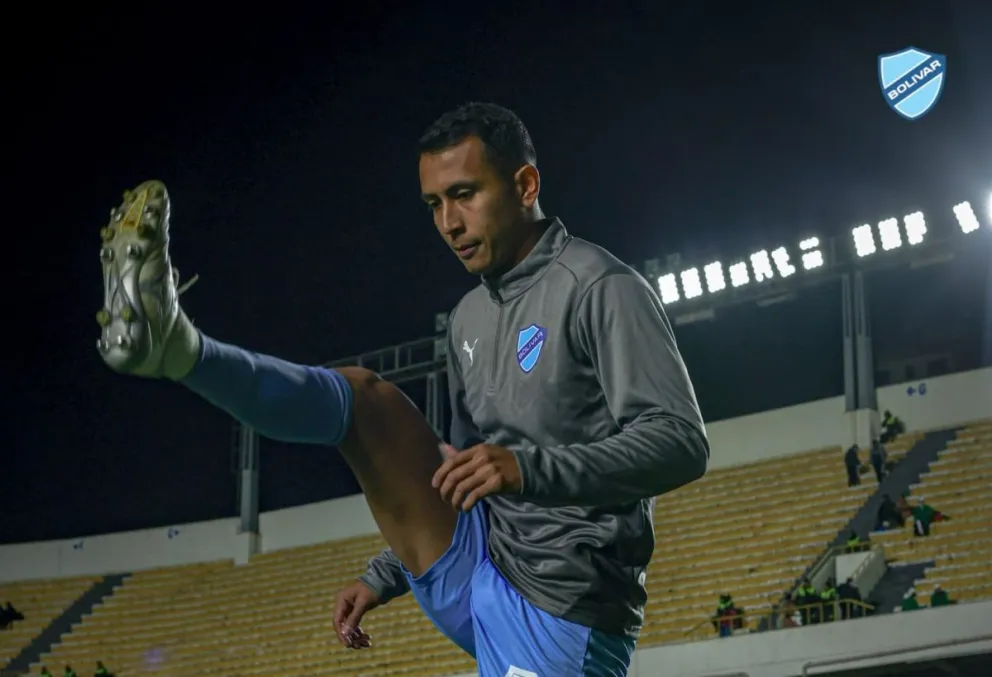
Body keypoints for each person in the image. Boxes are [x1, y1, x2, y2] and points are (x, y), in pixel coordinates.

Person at [94, 103, 709, 676]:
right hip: (476, 563)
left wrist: (527, 468)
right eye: (434, 203)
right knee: (367, 400)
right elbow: (461, 473)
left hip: (561, 609)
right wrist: (386, 573)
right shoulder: (468, 316)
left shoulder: (601, 287)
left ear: (525, 186)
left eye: (465, 195)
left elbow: (680, 443)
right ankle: (180, 349)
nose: (448, 223)